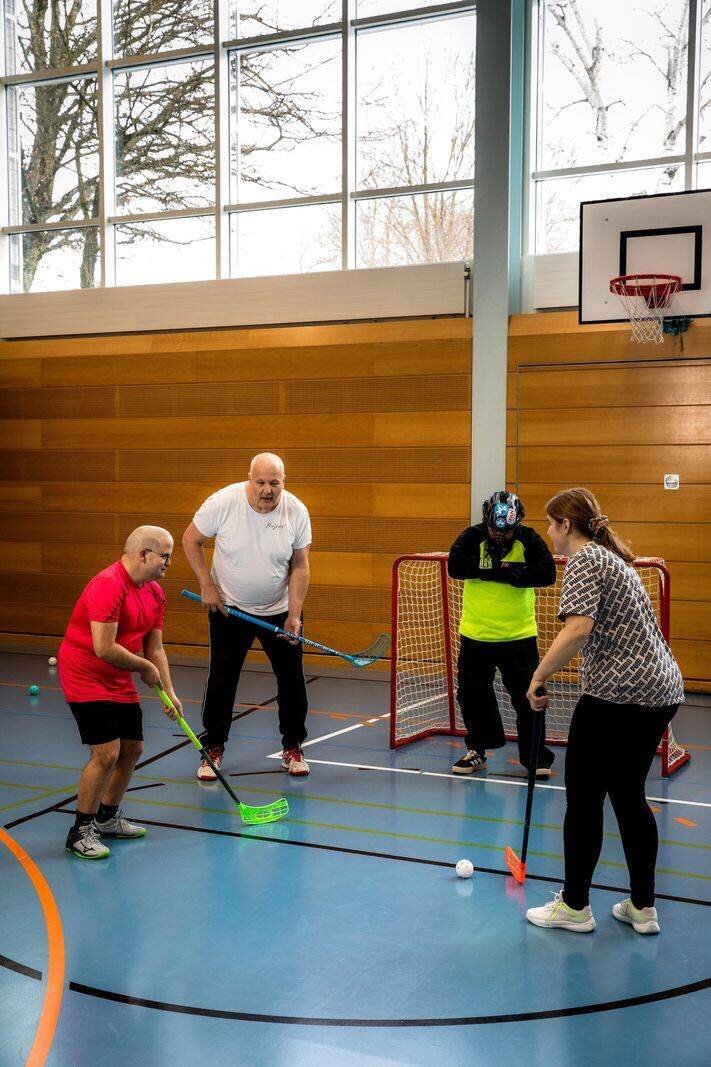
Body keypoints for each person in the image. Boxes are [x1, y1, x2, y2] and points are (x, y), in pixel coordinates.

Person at [525, 488, 684, 936]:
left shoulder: (584, 560)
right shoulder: (611, 559)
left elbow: (577, 629)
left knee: (584, 798)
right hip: (660, 690)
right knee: (629, 795)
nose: (548, 531)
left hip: (621, 695)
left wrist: (538, 676)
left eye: (550, 523)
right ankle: (642, 907)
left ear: (566, 525)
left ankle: (575, 906)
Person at [182, 452, 312, 780]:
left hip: (279, 610)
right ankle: (213, 747)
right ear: (249, 479)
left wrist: (294, 616)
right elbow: (190, 540)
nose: (267, 490)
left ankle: (293, 746)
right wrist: (207, 585)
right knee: (223, 678)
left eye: (275, 483)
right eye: (261, 482)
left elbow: (300, 565)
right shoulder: (223, 503)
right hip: (229, 608)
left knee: (292, 679)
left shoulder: (296, 511)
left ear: (284, 483)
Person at [58, 526, 182, 860]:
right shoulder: (108, 585)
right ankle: (79, 832)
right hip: (85, 673)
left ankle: (108, 817)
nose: (169, 563)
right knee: (107, 753)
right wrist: (143, 667)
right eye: (165, 556)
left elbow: (154, 647)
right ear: (144, 553)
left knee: (133, 748)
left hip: (118, 674)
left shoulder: (155, 593)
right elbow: (102, 648)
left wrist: (168, 691)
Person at [447, 490, 557, 778]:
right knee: (472, 696)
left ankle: (536, 757)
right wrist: (500, 570)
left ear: (516, 523)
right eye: (495, 530)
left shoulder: (530, 539)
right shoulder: (472, 536)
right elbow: (455, 567)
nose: (499, 536)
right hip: (476, 634)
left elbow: (547, 573)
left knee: (528, 699)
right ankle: (478, 750)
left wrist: (508, 573)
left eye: (506, 532)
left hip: (518, 636)